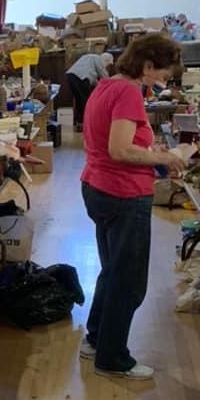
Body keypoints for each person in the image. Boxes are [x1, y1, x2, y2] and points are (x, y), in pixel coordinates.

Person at [79, 33, 186, 380]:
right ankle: (112, 357)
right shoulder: (128, 92)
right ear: (148, 64)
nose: (163, 81)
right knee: (128, 280)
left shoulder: (107, 85)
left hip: (98, 186)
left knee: (113, 270)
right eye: (162, 74)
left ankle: (96, 339)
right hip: (122, 193)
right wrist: (164, 157)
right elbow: (120, 150)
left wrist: (154, 156)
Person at [66, 52, 113, 126]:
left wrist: (99, 85)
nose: (107, 67)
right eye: (108, 65)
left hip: (70, 76)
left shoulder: (89, 58)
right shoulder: (98, 59)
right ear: (106, 60)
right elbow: (103, 74)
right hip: (81, 78)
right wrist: (112, 85)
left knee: (79, 100)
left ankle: (80, 122)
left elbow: (93, 78)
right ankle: (87, 123)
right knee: (86, 101)